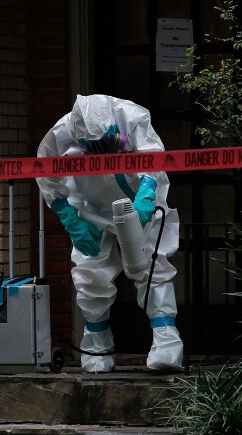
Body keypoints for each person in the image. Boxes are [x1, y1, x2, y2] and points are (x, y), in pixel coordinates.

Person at [36, 94, 183, 373]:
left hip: (140, 203)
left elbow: (153, 157)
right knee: (91, 272)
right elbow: (46, 175)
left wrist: (147, 195)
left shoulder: (132, 116)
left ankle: (166, 342)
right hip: (92, 209)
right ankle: (96, 344)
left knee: (152, 265)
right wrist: (69, 218)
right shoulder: (60, 133)